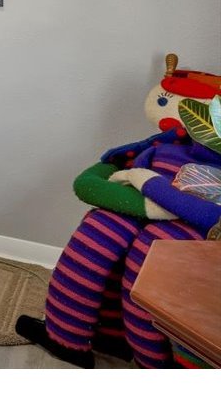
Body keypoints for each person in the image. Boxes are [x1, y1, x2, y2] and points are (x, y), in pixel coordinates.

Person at [15, 57, 221, 368]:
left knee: (154, 254)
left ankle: (150, 360)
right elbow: (103, 171)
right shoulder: (158, 146)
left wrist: (151, 187)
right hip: (143, 203)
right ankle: (68, 337)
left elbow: (210, 216)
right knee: (100, 228)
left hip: (190, 217)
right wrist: (138, 183)